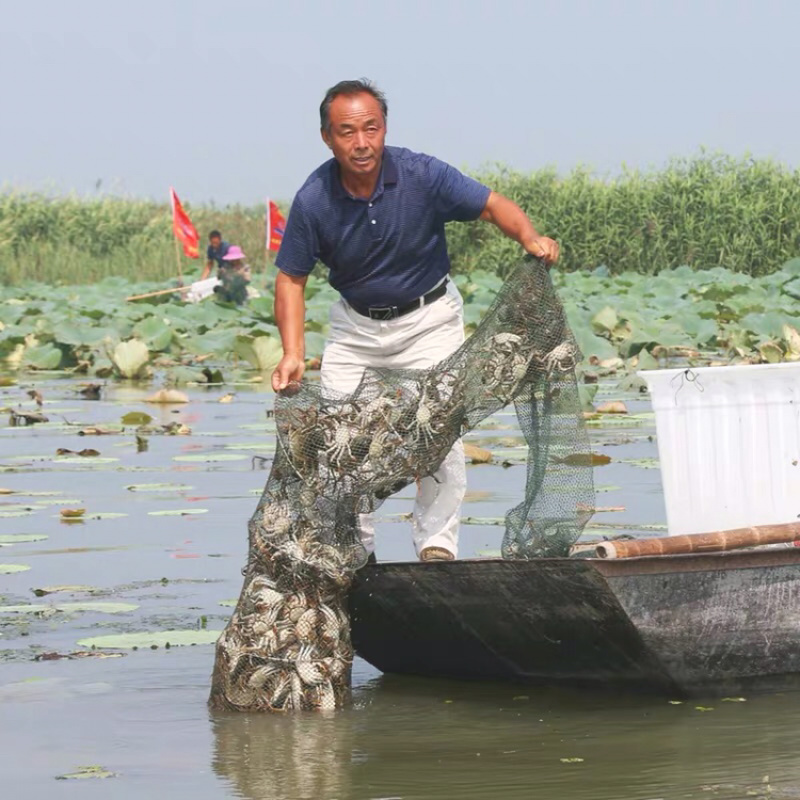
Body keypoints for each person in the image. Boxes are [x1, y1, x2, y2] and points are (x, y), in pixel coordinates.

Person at [272, 79, 559, 563]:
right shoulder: (314, 199)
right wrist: (293, 353)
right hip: (356, 329)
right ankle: (354, 552)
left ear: (384, 129)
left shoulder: (421, 174)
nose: (361, 143)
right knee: (344, 438)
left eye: (371, 129)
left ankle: (436, 546)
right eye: (347, 132)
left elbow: (492, 205)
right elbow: (290, 279)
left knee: (438, 430)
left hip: (429, 320)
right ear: (327, 137)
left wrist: (529, 236)